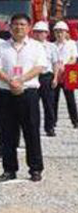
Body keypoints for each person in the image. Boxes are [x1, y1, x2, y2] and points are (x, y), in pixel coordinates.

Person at [0, 14, 47, 182]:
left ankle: (35, 169)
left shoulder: (36, 46)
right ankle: (9, 169)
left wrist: (21, 80)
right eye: (15, 24)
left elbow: (40, 67)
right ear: (10, 27)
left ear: (28, 27)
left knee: (31, 131)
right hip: (6, 93)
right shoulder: (2, 46)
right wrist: (10, 81)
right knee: (7, 133)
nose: (19, 27)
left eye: (22, 24)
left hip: (28, 93)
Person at [31, 22, 58, 137]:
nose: (39, 34)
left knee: (49, 104)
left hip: (47, 76)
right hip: (33, 77)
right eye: (37, 32)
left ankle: (50, 127)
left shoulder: (52, 47)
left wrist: (55, 78)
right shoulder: (30, 46)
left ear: (47, 33)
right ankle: (33, 128)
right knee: (32, 105)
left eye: (42, 32)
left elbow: (56, 63)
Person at [53, 21, 78, 128]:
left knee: (70, 98)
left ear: (66, 33)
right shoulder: (51, 45)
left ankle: (75, 120)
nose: (59, 34)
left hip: (67, 74)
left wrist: (65, 66)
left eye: (61, 32)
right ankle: (53, 120)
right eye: (57, 32)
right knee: (54, 99)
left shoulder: (71, 44)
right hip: (55, 74)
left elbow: (74, 58)